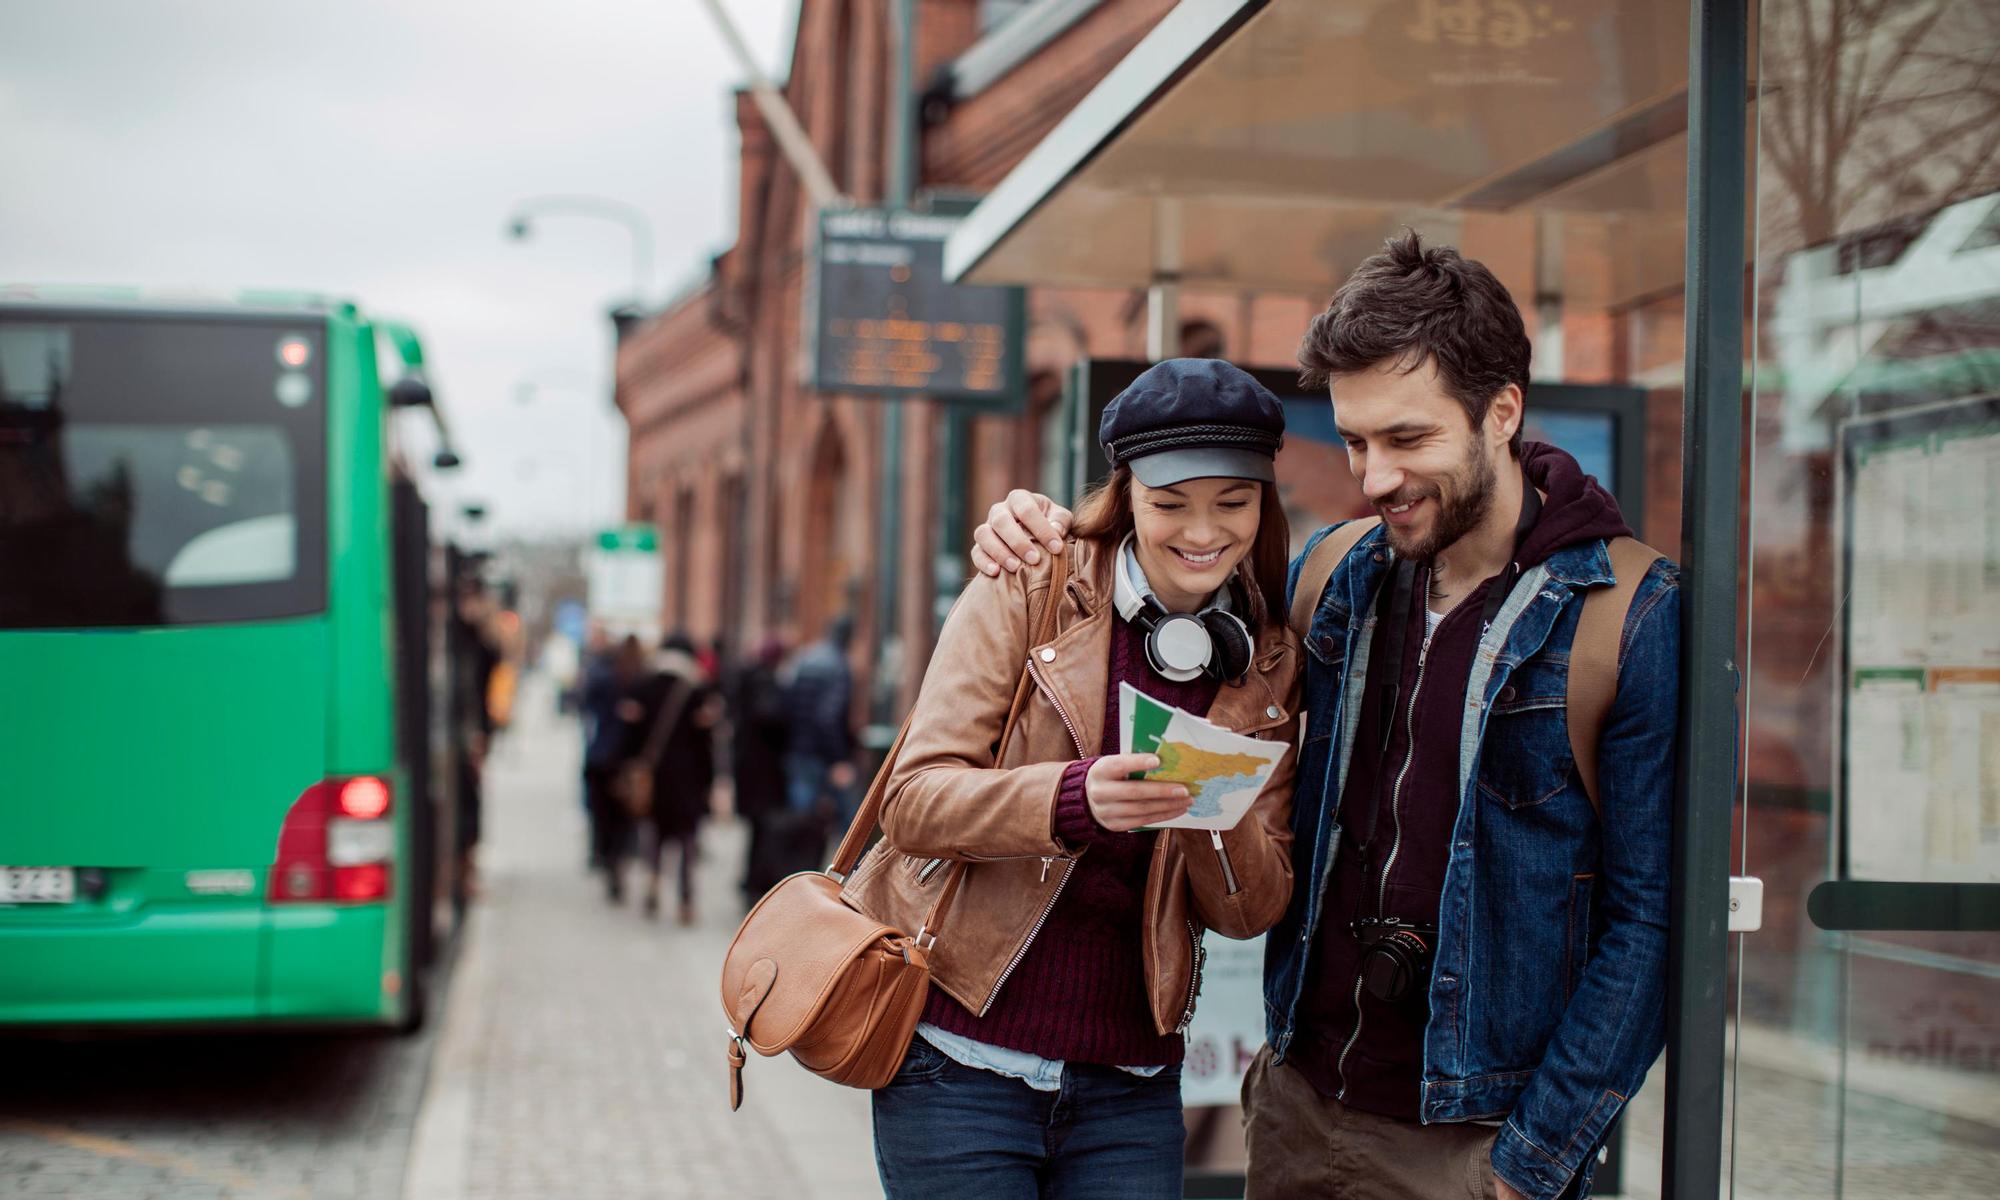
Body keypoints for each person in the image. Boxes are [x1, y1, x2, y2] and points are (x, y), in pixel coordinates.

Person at [970, 232, 1681, 1200]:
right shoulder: (1333, 572)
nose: (1372, 476)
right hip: (1299, 1114)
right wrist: (1037, 528)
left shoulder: (1627, 615)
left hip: (1470, 1148)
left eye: (1406, 439)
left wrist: (1526, 1170)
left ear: (1500, 412)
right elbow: (1161, 571)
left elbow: (1645, 928)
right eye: (1352, 441)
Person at [862, 359, 1302, 1199]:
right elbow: (911, 800)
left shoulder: (1268, 659)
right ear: (1126, 494)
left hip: (1129, 1089)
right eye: (1171, 503)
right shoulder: (1031, 581)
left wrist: (1211, 806)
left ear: (1264, 503)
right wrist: (1071, 799)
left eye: (1233, 503)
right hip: (960, 1066)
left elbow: (1251, 912)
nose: (1202, 531)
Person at [625, 632, 720, 923]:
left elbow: (632, 735)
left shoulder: (644, 686)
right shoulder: (697, 691)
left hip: (654, 776)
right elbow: (707, 744)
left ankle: (653, 878)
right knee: (687, 840)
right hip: (688, 777)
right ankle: (686, 900)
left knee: (655, 832)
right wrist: (710, 781)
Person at [730, 636, 793, 898]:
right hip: (762, 769)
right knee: (762, 826)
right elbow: (768, 716)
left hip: (750, 766)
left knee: (757, 827)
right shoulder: (764, 682)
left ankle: (752, 879)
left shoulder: (748, 679)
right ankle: (756, 881)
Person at [581, 634, 646, 886]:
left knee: (602, 812)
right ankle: (618, 857)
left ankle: (604, 855)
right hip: (625, 760)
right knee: (623, 816)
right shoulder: (638, 681)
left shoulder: (604, 679)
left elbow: (587, 707)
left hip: (602, 756)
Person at [782, 616, 859, 825]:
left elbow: (787, 702)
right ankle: (851, 859)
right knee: (850, 820)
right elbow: (828, 717)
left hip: (799, 748)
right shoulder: (837, 665)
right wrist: (838, 759)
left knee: (802, 817)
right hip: (821, 754)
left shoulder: (805, 658)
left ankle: (799, 857)